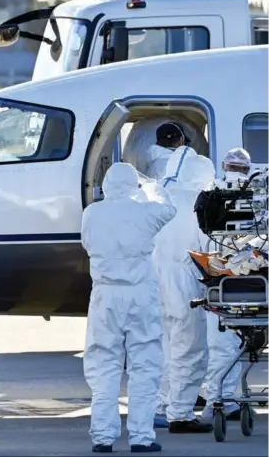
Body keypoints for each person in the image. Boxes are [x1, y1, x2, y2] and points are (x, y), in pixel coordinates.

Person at [81, 163, 177, 453]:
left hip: (105, 295)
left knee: (103, 365)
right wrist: (151, 187)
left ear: (106, 186)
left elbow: (87, 244)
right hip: (140, 295)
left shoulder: (91, 213)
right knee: (145, 365)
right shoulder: (147, 212)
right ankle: (141, 437)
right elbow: (168, 208)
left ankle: (103, 437)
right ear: (133, 186)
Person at [154, 147, 216, 433]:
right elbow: (210, 252)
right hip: (184, 282)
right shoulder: (200, 204)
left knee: (164, 348)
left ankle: (162, 405)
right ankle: (180, 413)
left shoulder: (160, 197)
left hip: (155, 281)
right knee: (190, 349)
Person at [200, 148, 252, 421]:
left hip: (221, 287)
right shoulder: (257, 197)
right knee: (236, 345)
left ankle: (217, 399)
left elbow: (203, 244)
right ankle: (225, 398)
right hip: (252, 287)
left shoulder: (209, 196)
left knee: (221, 346)